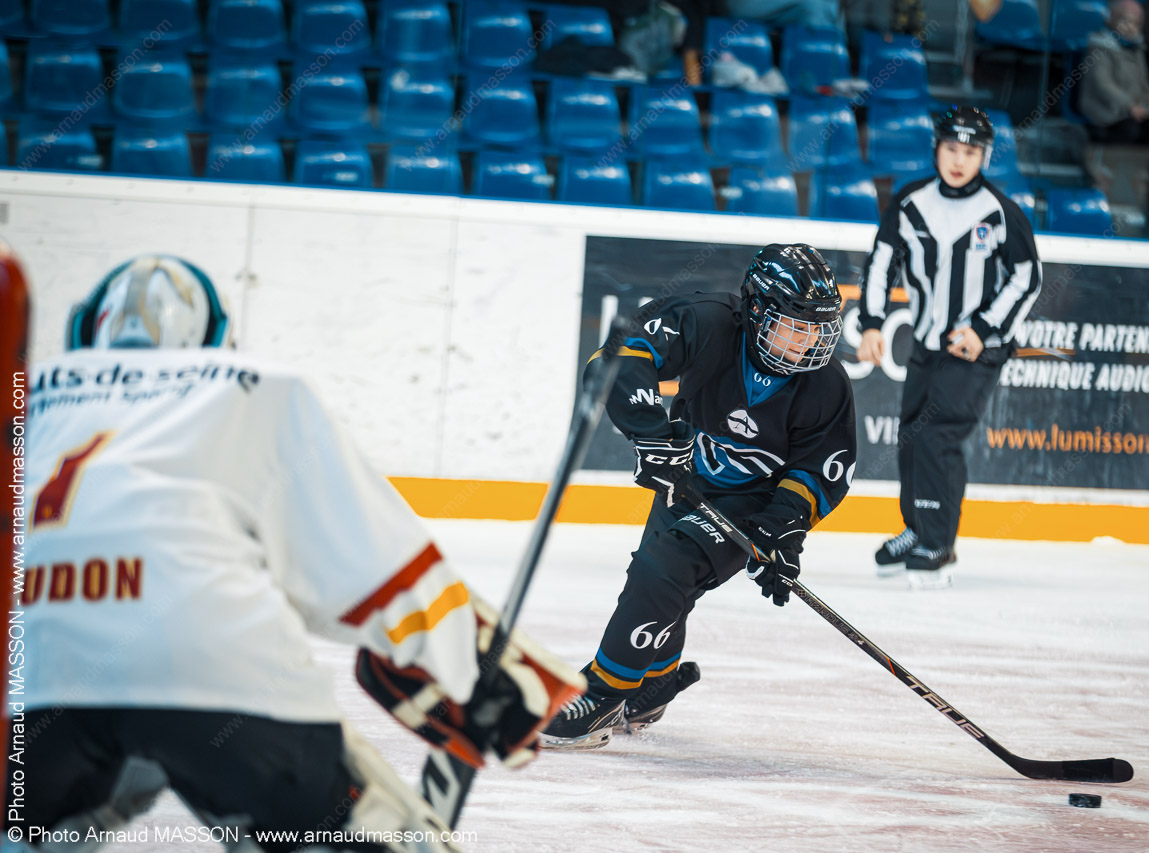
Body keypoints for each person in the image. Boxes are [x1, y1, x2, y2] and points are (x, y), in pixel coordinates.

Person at [12, 255, 583, 852]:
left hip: (35, 680)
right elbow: (376, 567)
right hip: (217, 676)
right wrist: (475, 668)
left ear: (83, 330)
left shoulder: (29, 399)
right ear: (218, 337)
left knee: (26, 834)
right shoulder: (255, 387)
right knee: (372, 833)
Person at [540, 244, 858, 749]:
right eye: (794, 326)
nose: (806, 343)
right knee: (663, 586)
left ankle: (601, 695)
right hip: (686, 475)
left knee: (660, 572)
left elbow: (820, 469)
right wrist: (651, 434)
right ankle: (654, 684)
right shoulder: (706, 321)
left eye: (816, 330)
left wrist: (783, 527)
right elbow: (619, 357)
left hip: (753, 502)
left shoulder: (826, 386)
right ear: (757, 310)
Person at [857, 106, 1042, 590]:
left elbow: (1027, 277)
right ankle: (916, 529)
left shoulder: (1000, 211)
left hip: (977, 349)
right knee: (912, 437)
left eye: (971, 152)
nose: (960, 161)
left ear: (985, 157)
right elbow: (881, 264)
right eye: (952, 149)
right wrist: (872, 324)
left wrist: (982, 328)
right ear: (936, 149)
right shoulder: (910, 202)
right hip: (926, 342)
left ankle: (939, 541)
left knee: (938, 436)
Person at [1080, 0, 1149, 144]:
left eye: (1136, 22)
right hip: (1106, 108)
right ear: (1112, 19)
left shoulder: (1136, 48)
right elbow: (1103, 83)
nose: (1131, 27)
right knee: (1130, 131)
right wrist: (1129, 106)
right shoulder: (1099, 46)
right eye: (1126, 20)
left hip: (1135, 109)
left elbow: (1144, 82)